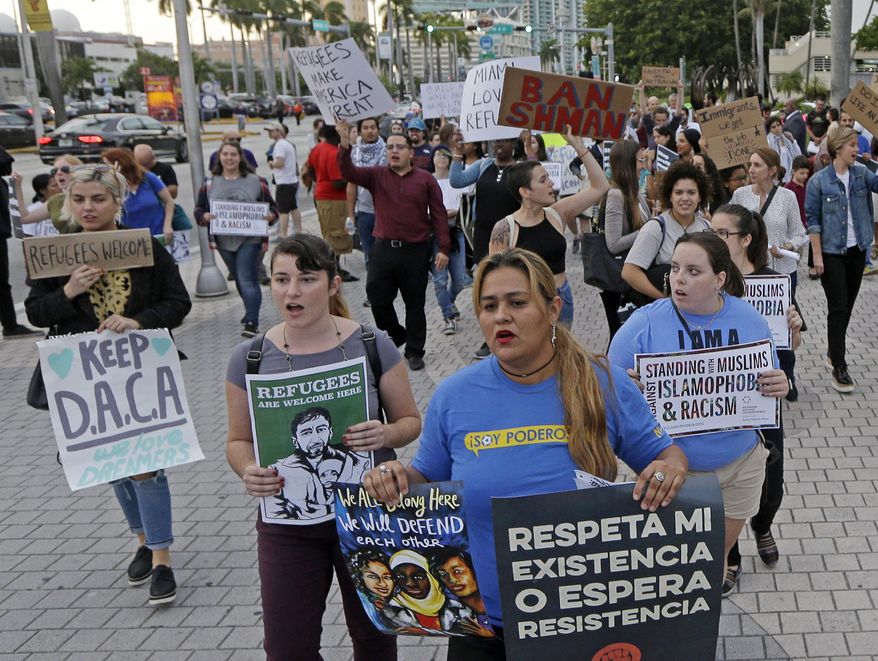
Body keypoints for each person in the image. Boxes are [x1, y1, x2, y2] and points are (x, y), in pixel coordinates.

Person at [364, 248, 687, 659]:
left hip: (584, 618)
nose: (501, 316)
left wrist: (667, 472)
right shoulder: (454, 395)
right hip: (483, 626)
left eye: (517, 303)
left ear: (553, 309)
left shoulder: (603, 382)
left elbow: (667, 456)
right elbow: (425, 477)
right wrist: (393, 479)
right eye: (489, 306)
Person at [225, 234, 420, 660]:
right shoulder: (250, 357)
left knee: (375, 641)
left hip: (367, 516)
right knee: (286, 648)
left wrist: (385, 435)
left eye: (306, 279)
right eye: (281, 279)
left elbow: (410, 422)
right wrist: (248, 470)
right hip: (287, 528)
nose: (291, 291)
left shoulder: (371, 344)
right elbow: (238, 441)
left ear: (333, 284)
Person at [25, 164, 192, 604]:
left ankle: (161, 559)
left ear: (118, 202)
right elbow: (36, 314)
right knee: (112, 462)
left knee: (146, 463)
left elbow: (177, 303)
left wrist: (138, 321)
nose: (87, 207)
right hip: (84, 379)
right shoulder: (54, 254)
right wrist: (68, 292)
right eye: (78, 199)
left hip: (138, 373)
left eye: (98, 198)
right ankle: (141, 538)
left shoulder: (144, 248)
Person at [609, 232, 789, 599]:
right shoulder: (645, 322)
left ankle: (711, 586)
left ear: (720, 279)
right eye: (675, 269)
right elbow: (604, 384)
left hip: (741, 465)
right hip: (674, 473)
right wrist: (629, 389)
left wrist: (779, 383)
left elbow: (765, 378)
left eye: (693, 271)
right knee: (677, 558)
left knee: (716, 551)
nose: (679, 279)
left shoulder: (748, 317)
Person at [709, 204, 804, 592]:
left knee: (772, 481)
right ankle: (729, 555)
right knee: (722, 484)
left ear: (745, 240)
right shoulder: (710, 283)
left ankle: (762, 525)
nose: (713, 239)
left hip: (763, 400)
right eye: (709, 231)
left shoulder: (772, 283)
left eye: (722, 234)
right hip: (718, 404)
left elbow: (789, 347)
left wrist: (794, 328)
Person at [336, 119, 450, 372]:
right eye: (390, 147)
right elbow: (348, 173)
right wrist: (344, 144)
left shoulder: (425, 179)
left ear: (411, 152)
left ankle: (415, 350)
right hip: (384, 249)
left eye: (399, 147)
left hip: (415, 251)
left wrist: (443, 248)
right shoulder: (377, 175)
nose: (394, 151)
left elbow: (439, 214)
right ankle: (397, 334)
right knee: (377, 297)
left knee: (415, 304)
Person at [488, 127, 609, 326]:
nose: (551, 183)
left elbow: (600, 186)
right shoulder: (505, 228)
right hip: (528, 306)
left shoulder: (557, 213)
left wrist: (579, 146)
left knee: (560, 354)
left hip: (561, 299)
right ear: (525, 191)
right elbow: (496, 281)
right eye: (543, 180)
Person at [805, 127, 878, 393]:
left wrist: (872, 162)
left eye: (856, 146)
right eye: (851, 146)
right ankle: (840, 365)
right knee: (837, 307)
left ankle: (833, 350)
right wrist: (816, 256)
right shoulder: (819, 181)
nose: (856, 150)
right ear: (838, 148)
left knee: (847, 306)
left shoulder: (862, 173)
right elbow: (812, 221)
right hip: (831, 253)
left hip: (857, 250)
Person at [194, 140, 278, 338]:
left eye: (233, 154)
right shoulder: (209, 183)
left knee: (247, 278)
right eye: (225, 154)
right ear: (219, 158)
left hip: (250, 239)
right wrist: (204, 217)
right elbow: (199, 209)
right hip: (223, 240)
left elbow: (273, 209)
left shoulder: (257, 181)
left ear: (240, 157)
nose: (229, 158)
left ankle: (252, 321)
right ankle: (250, 309)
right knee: (240, 278)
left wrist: (270, 216)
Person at [450, 136, 521, 359]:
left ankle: (514, 333)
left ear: (513, 145)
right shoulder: (484, 165)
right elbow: (456, 181)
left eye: (505, 141)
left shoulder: (521, 170)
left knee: (510, 290)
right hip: (483, 238)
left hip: (511, 238)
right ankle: (491, 338)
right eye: (496, 141)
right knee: (486, 291)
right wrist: (457, 153)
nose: (499, 145)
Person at [622, 160, 712, 302]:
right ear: (670, 196)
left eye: (691, 192)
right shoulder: (656, 228)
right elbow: (629, 272)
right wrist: (665, 300)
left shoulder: (708, 228)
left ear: (700, 196)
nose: (685, 198)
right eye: (678, 192)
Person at [731, 148, 807, 297]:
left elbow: (799, 233)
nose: (751, 170)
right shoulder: (740, 195)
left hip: (782, 271)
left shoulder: (788, 197)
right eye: (750, 164)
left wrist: (787, 246)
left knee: (783, 317)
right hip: (748, 270)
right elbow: (731, 228)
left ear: (772, 170)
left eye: (757, 165)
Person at [598, 140, 650, 338]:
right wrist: (647, 230)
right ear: (627, 164)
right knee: (621, 337)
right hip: (620, 283)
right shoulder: (616, 195)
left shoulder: (634, 193)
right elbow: (613, 244)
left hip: (633, 275)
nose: (643, 166)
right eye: (639, 161)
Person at [307, 125, 357, 281]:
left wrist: (321, 180)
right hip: (334, 199)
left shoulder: (318, 148)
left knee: (329, 234)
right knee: (337, 235)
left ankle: (335, 269)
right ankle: (334, 270)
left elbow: (310, 172)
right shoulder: (333, 153)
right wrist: (354, 175)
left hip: (321, 196)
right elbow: (337, 182)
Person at [431, 145, 469, 335]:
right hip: (435, 234)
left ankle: (449, 301)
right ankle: (448, 316)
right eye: (438, 154)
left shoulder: (459, 179)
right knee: (439, 279)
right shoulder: (427, 180)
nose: (442, 158)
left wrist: (457, 212)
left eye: (445, 155)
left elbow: (467, 204)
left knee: (460, 279)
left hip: (456, 230)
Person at [101, 148, 175, 244]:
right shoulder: (111, 186)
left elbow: (169, 201)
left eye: (107, 165)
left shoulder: (148, 178)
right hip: (130, 241)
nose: (105, 169)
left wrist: (167, 225)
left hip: (157, 236)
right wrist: (115, 181)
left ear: (120, 164)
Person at [345, 117, 386, 271]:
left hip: (386, 212)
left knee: (387, 255)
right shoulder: (355, 153)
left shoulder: (389, 150)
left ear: (378, 130)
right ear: (360, 131)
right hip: (365, 213)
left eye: (373, 127)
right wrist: (350, 216)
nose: (369, 131)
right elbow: (351, 185)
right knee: (370, 256)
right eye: (366, 128)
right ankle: (374, 292)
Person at [12, 154, 82, 230]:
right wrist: (17, 187)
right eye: (54, 171)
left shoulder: (92, 195)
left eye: (65, 169)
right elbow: (24, 218)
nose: (58, 173)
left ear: (79, 170)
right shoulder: (55, 201)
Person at [264, 121, 301, 240]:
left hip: (284, 181)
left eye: (271, 130)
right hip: (291, 180)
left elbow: (279, 163)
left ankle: (283, 234)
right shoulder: (287, 143)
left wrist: (271, 164)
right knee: (293, 207)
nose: (269, 133)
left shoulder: (279, 145)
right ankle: (299, 231)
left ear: (279, 131)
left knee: (283, 210)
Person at [766, 116, 803, 185]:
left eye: (778, 125)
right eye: (773, 127)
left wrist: (792, 141)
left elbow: (798, 155)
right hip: (776, 178)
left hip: (790, 175)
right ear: (769, 129)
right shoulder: (768, 141)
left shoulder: (786, 139)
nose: (777, 128)